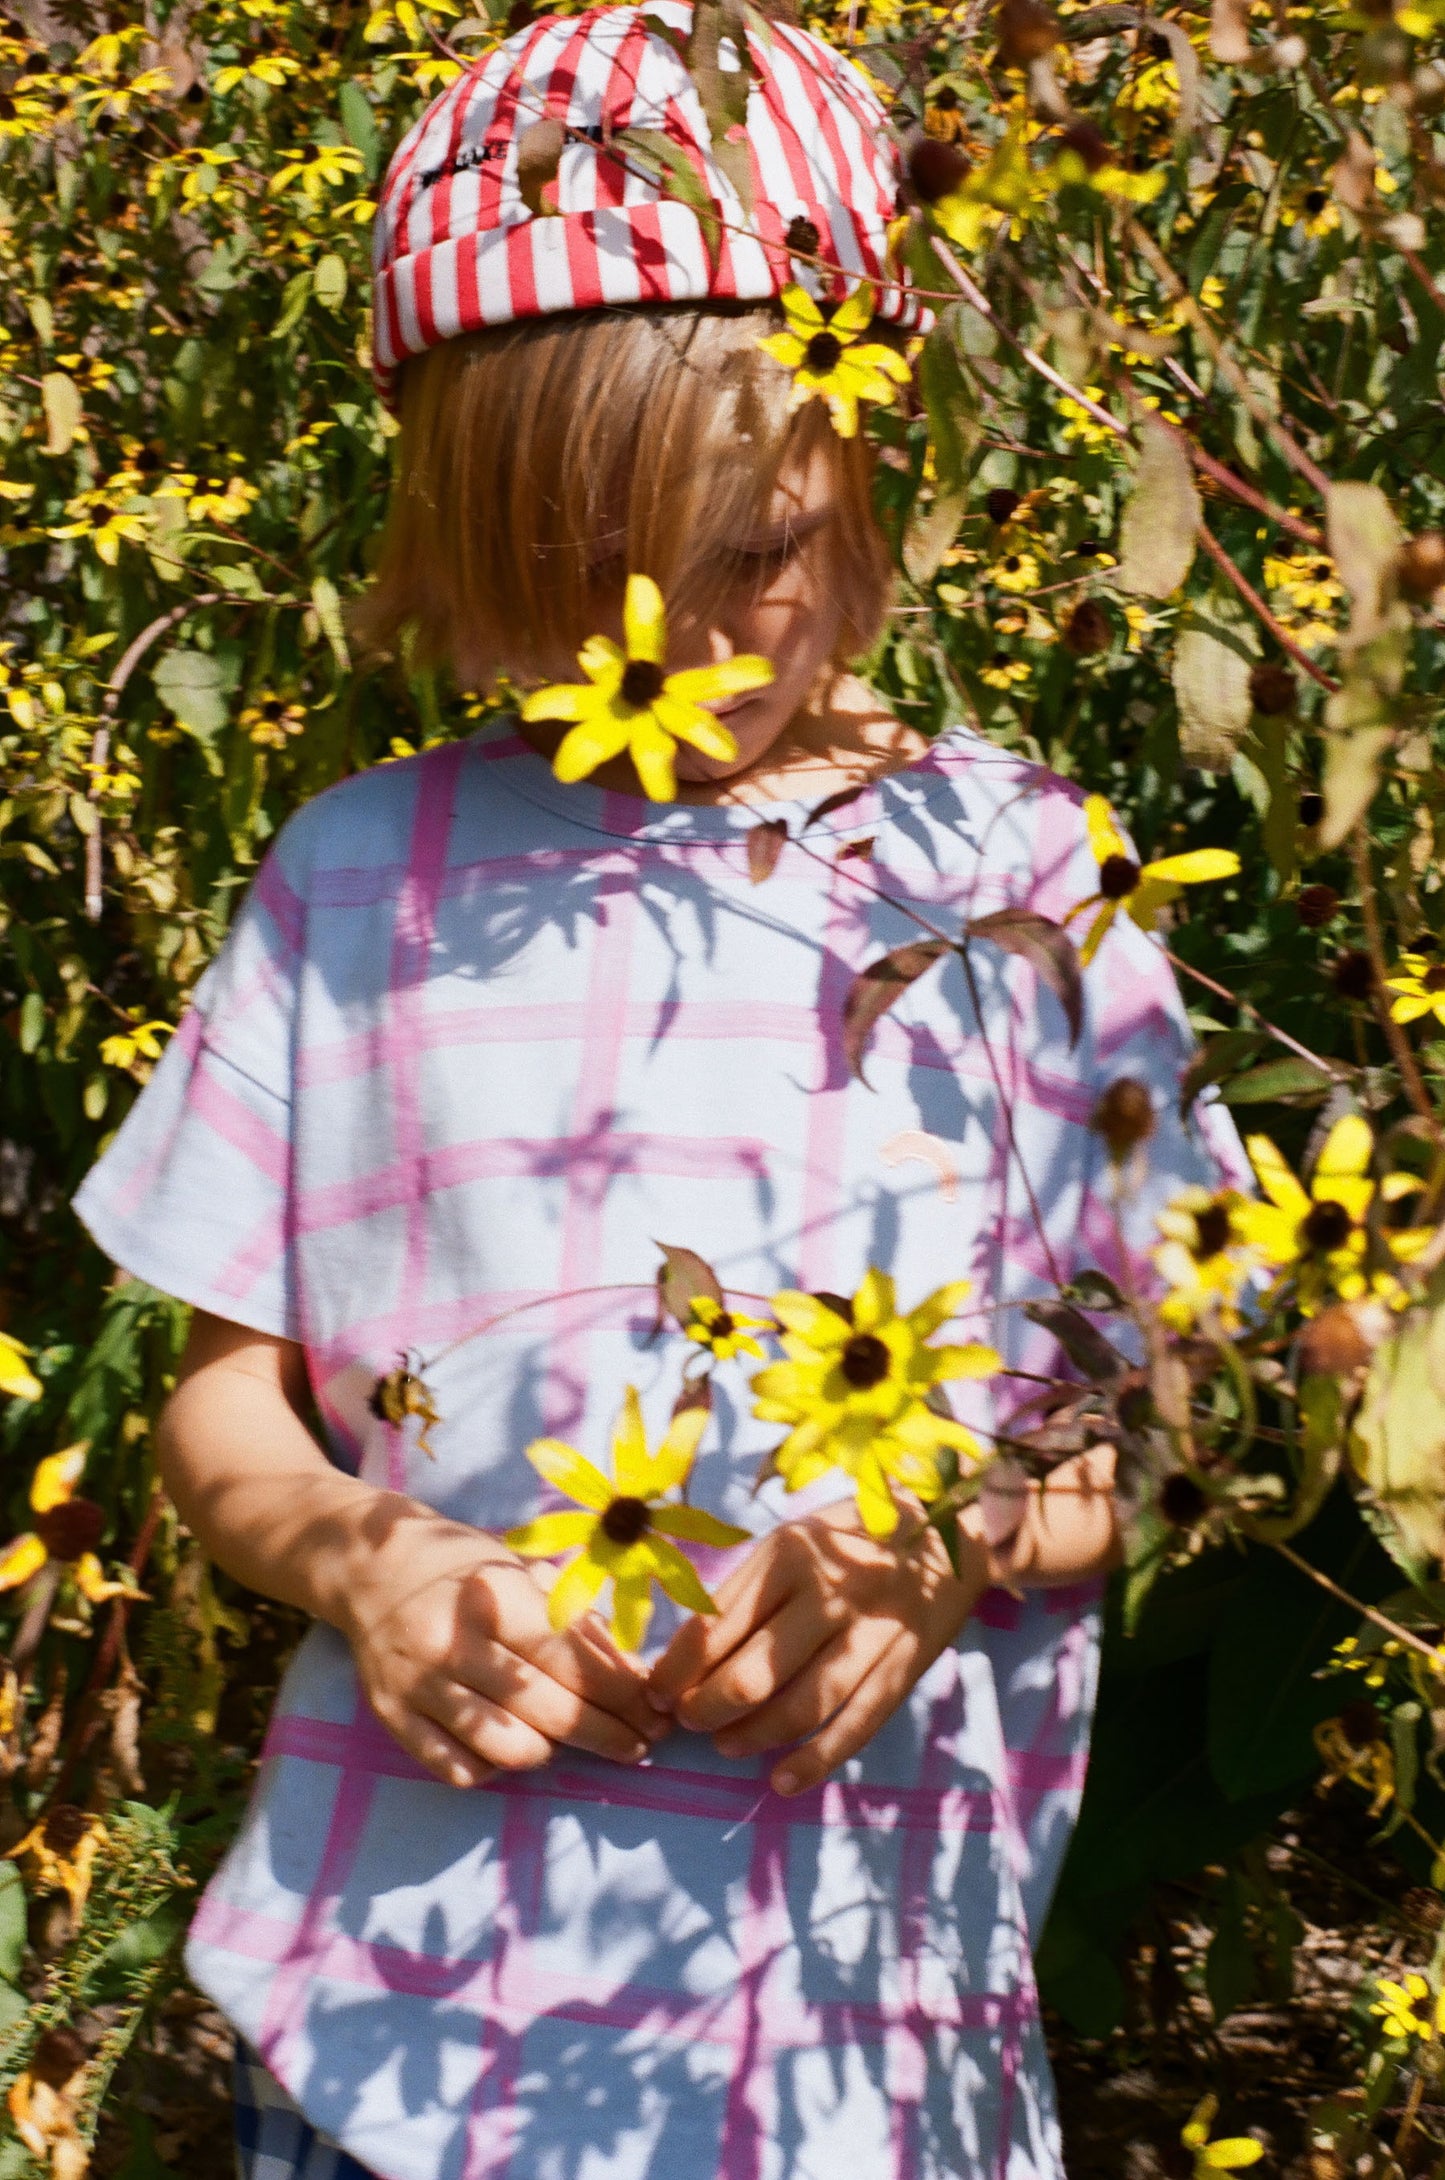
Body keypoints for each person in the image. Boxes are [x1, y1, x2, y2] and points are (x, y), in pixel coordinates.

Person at [74, 7, 1248, 2176]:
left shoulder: (1015, 872)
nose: (746, 614)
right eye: (649, 562)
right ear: (485, 522)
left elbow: (1161, 1401)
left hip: (857, 2047)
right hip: (387, 2037)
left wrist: (949, 1532)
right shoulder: (365, 876)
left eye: (789, 531)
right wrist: (365, 1556)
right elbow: (222, 1402)